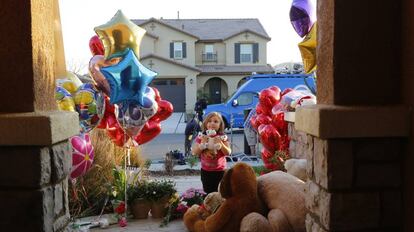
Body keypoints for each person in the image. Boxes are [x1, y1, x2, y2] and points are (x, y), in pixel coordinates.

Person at [192, 112, 231, 194]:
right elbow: (194, 152)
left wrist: (221, 144)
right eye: (209, 121)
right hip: (206, 171)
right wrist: (202, 144)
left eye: (216, 121)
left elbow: (228, 152)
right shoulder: (202, 136)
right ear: (205, 123)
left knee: (221, 193)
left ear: (220, 125)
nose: (212, 123)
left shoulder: (222, 137)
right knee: (208, 193)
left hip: (221, 171)